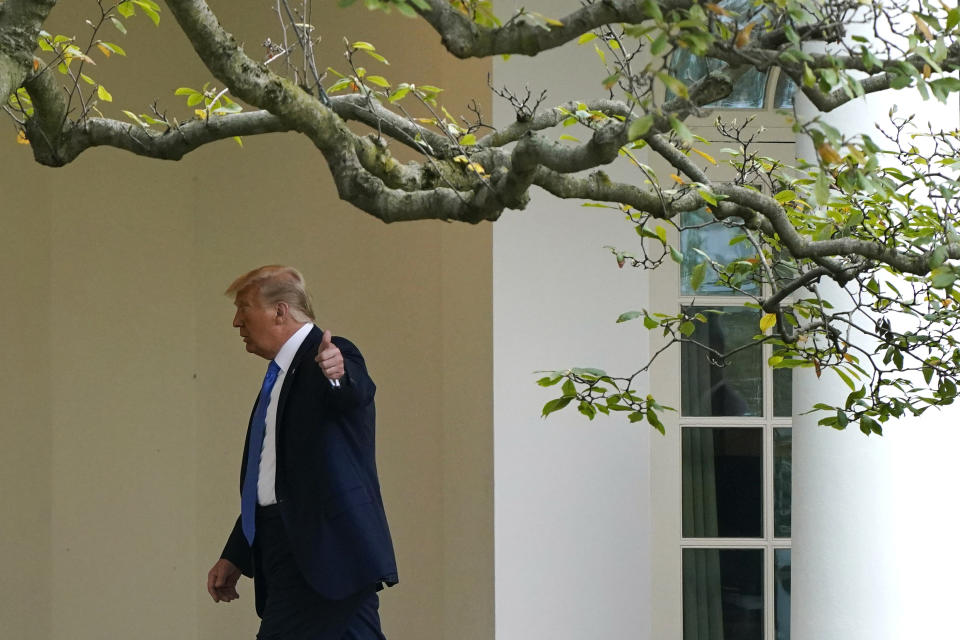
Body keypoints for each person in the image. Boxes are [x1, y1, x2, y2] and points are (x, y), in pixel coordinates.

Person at [206, 265, 398, 639]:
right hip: (292, 552)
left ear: (280, 311)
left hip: (325, 553)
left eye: (244, 307)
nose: (235, 322)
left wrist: (337, 372)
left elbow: (352, 390)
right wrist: (238, 552)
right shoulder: (278, 378)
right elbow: (273, 479)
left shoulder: (329, 354)